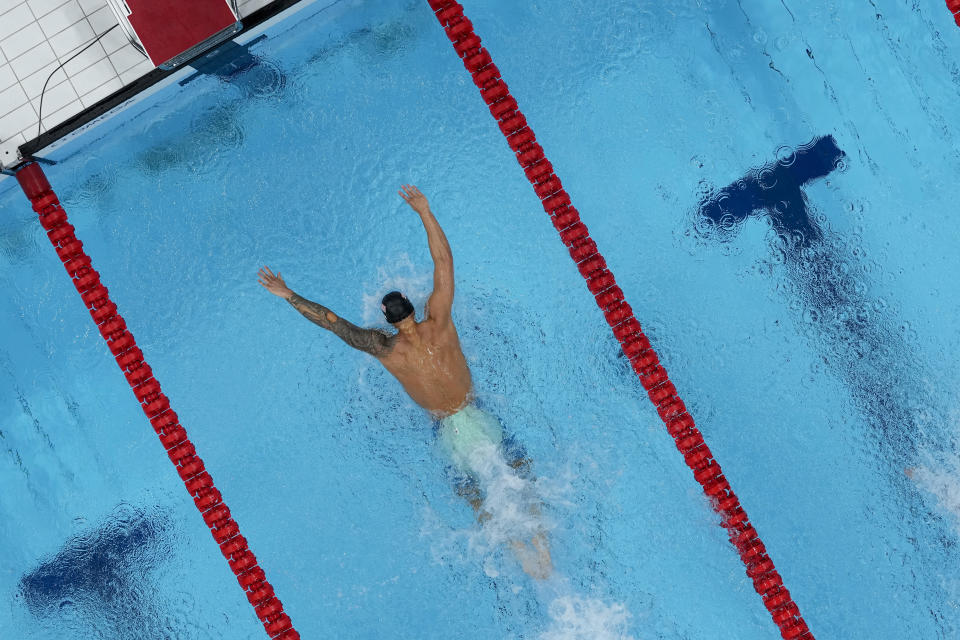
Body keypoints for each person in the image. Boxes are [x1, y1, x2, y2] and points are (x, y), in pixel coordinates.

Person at [257, 184, 552, 580]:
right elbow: (443, 262)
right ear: (413, 308)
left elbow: (333, 323)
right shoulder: (440, 321)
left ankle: (516, 550)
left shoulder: (383, 348)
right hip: (476, 416)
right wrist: (425, 212)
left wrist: (288, 294)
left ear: (386, 320)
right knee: (519, 468)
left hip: (447, 432)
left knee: (472, 495)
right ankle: (542, 545)